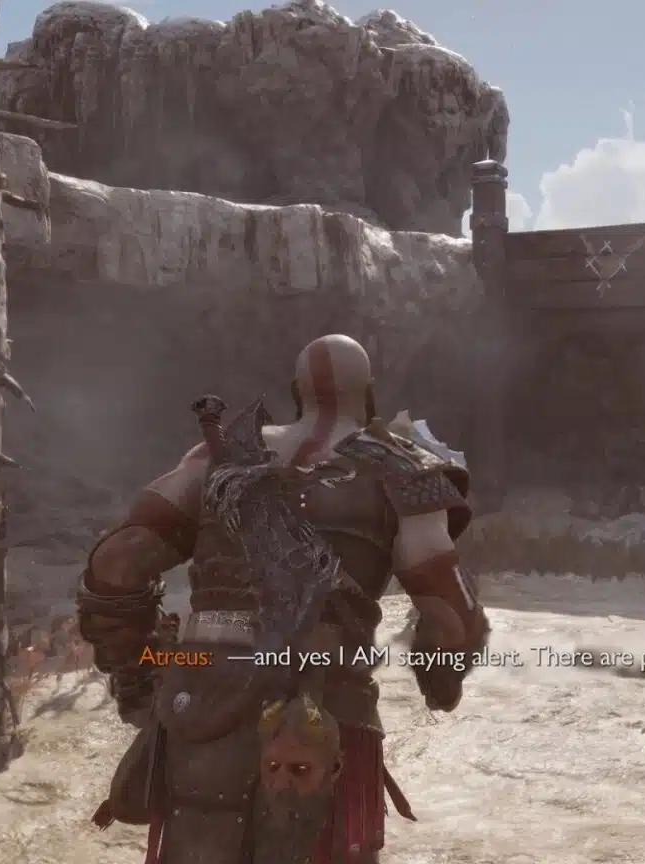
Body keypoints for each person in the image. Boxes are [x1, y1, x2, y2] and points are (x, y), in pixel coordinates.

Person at [76, 334, 489, 864]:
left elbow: (117, 562)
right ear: (367, 392)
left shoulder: (219, 455)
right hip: (326, 713)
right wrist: (442, 678)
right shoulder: (404, 468)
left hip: (201, 704)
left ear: (297, 392)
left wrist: (137, 676)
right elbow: (450, 616)